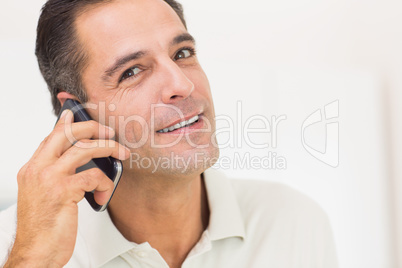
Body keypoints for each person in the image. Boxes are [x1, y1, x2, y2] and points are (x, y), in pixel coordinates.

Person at [0, 0, 338, 267]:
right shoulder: (16, 248)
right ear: (76, 114)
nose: (182, 84)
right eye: (131, 71)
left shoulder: (295, 222)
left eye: (183, 53)